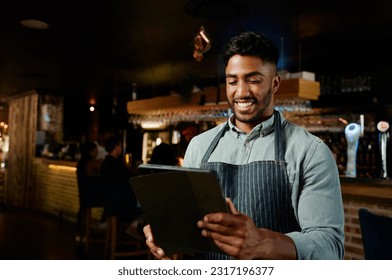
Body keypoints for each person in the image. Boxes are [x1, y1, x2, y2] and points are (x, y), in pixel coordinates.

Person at [143, 31, 345, 260]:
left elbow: (330, 248)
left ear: (275, 83)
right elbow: (192, 234)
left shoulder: (310, 152)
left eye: (253, 80)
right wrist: (173, 243)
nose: (241, 92)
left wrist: (262, 243)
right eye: (232, 81)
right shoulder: (199, 146)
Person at [101, 135, 144, 239]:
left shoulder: (105, 162)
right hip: (121, 203)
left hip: (110, 202)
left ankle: (126, 230)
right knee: (147, 206)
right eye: (120, 146)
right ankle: (133, 227)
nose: (121, 148)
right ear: (116, 147)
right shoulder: (117, 164)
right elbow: (128, 179)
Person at [75, 141, 102, 241]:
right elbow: (101, 171)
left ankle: (80, 234)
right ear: (90, 152)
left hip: (84, 195)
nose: (97, 151)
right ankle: (103, 223)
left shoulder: (81, 162)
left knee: (83, 210)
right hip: (92, 196)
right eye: (95, 150)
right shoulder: (92, 163)